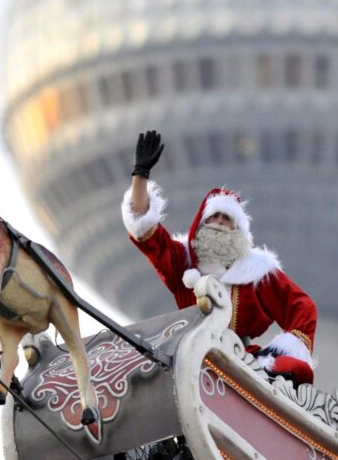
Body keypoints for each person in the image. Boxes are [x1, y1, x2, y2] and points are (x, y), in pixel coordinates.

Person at [121, 130, 317, 386]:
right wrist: (141, 175)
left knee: (292, 367)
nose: (220, 223)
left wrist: (282, 351)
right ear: (201, 225)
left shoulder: (257, 273)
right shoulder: (183, 261)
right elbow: (146, 234)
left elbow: (301, 306)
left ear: (238, 231)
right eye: (214, 217)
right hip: (190, 355)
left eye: (227, 219)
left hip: (242, 362)